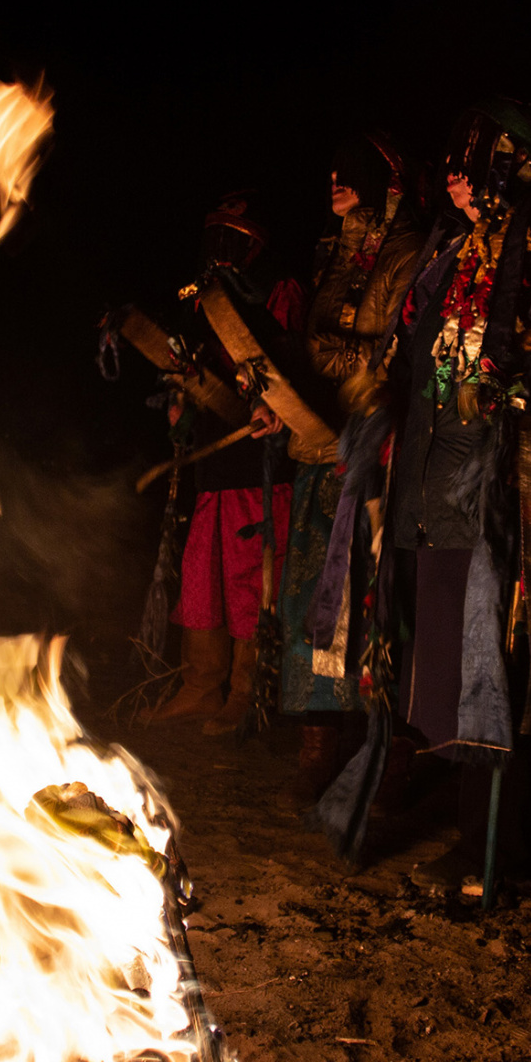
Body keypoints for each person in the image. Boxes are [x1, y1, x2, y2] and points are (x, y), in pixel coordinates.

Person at [370, 101, 531, 896]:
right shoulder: (448, 252)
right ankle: (530, 830)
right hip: (442, 485)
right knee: (459, 661)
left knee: (492, 659)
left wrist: (526, 376)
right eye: (448, 157)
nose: (450, 171)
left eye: (470, 157)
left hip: (513, 487)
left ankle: (488, 854)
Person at [279, 133, 427, 800]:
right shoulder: (331, 253)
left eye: (351, 173)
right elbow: (313, 349)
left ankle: (389, 747)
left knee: (376, 598)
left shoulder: (404, 252)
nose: (335, 180)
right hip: (320, 447)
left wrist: (328, 357)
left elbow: (396, 355)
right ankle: (320, 740)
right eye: (331, 170)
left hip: (378, 453)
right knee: (314, 599)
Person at [151, 193, 307, 735]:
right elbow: (189, 363)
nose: (220, 248)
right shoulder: (201, 297)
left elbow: (290, 361)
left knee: (249, 578)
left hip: (259, 462)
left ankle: (246, 691)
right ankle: (200, 684)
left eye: (232, 237)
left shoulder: (278, 290)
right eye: (214, 234)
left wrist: (276, 404)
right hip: (213, 463)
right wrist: (180, 402)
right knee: (203, 574)